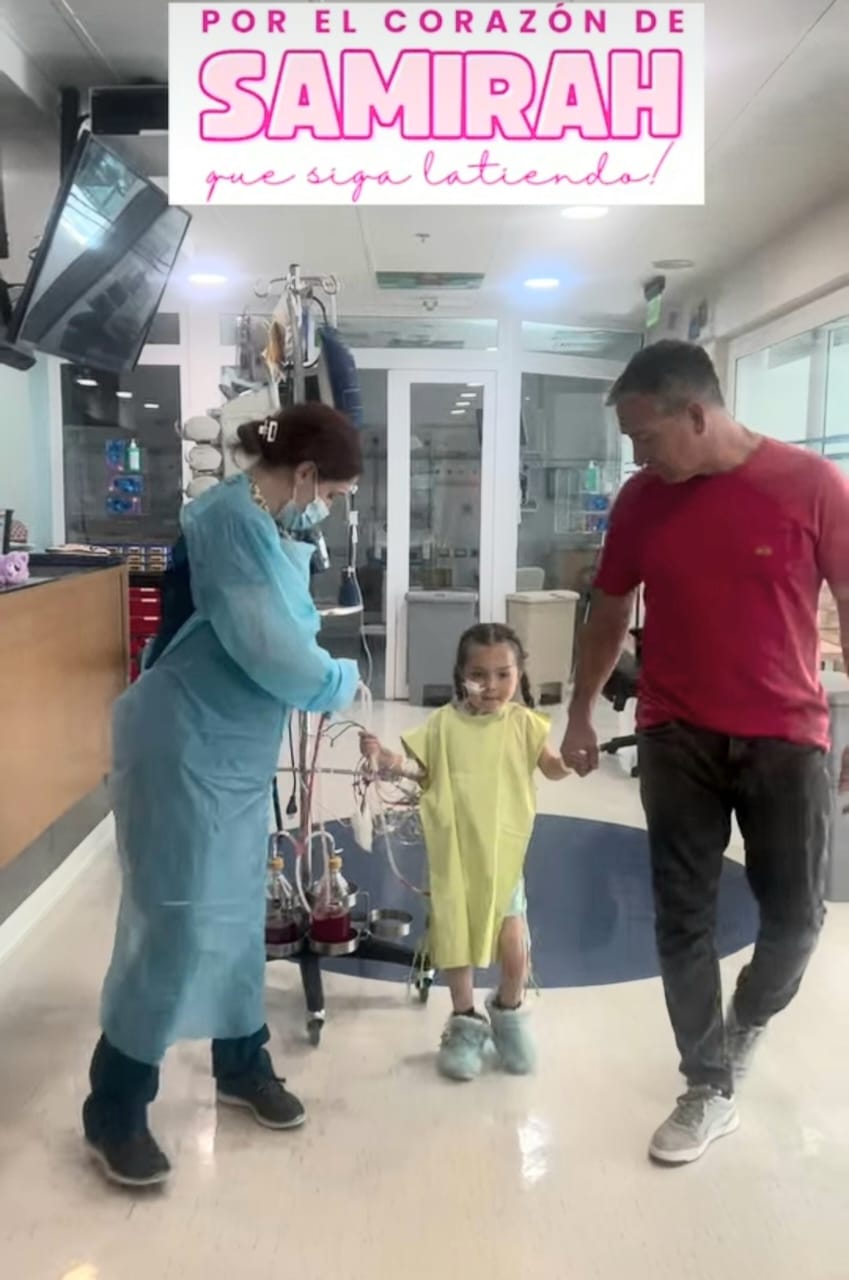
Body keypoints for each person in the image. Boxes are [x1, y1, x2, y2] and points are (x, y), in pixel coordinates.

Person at [561, 340, 849, 1165]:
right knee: (680, 915)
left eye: (645, 437)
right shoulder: (642, 500)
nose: (637, 456)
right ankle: (706, 1084)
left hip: (784, 736)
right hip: (674, 733)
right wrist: (578, 713)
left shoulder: (812, 485)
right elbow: (608, 611)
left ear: (696, 413)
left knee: (796, 919)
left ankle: (745, 1019)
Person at [83, 402, 363, 1188]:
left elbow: (281, 613)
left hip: (232, 753)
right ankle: (114, 1108)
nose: (327, 508)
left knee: (239, 917)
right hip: (181, 747)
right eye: (330, 493)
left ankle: (241, 1063)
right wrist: (341, 681)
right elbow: (275, 651)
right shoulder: (226, 523)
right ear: (303, 474)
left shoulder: (265, 525)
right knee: (174, 923)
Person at [361, 623, 569, 1082]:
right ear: (460, 675)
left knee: (513, 948)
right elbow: (420, 770)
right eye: (479, 675)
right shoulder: (444, 726)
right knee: (455, 940)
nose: (491, 686)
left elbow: (552, 768)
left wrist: (572, 759)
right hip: (454, 857)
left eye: (502, 674)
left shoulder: (524, 724)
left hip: (501, 860)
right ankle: (464, 1022)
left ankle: (509, 1012)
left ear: (518, 674)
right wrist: (389, 760)